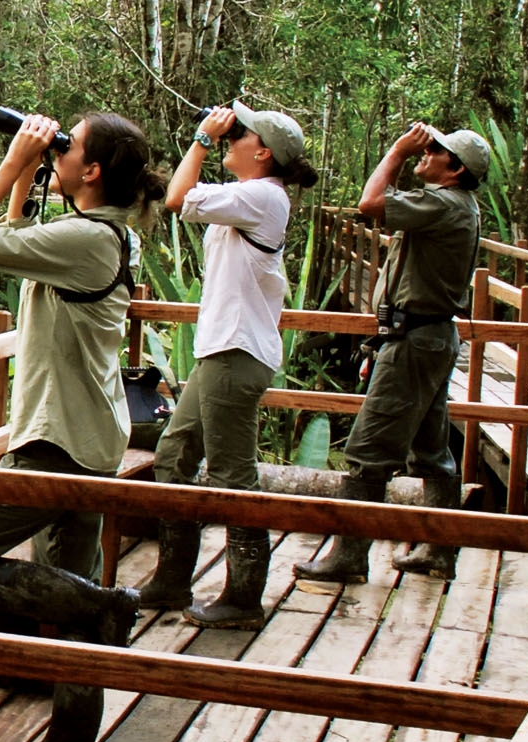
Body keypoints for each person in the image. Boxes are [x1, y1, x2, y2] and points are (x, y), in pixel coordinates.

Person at [0, 109, 168, 742]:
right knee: (68, 583)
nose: (57, 153)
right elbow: (19, 236)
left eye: (69, 147)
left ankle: (103, 605)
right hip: (89, 435)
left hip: (56, 445)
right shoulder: (104, 234)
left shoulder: (89, 239)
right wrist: (33, 166)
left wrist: (13, 162)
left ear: (90, 171)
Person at [138, 102, 321, 629]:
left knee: (233, 476)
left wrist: (200, 137)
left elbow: (177, 198)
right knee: (174, 457)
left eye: (239, 134)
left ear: (261, 153)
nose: (230, 138)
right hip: (220, 352)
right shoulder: (251, 197)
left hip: (237, 354)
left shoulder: (262, 196)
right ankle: (171, 581)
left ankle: (243, 597)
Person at [294, 122, 491, 583]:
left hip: (416, 342)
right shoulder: (452, 204)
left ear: (456, 168)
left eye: (436, 151)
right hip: (426, 337)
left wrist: (399, 153)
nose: (426, 153)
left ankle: (348, 557)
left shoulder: (445, 202)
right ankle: (438, 551)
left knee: (367, 453)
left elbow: (370, 205)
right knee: (432, 452)